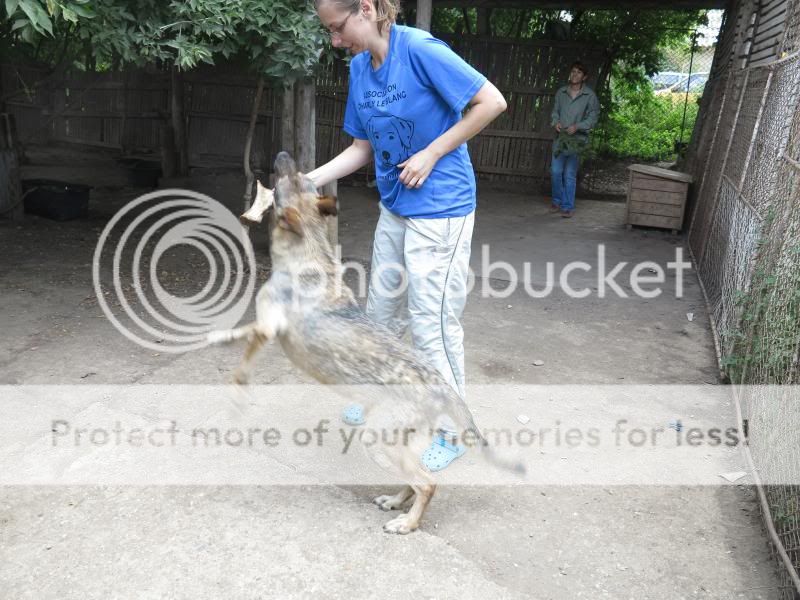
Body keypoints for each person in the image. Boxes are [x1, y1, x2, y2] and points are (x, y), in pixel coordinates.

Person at [306, 0, 506, 470]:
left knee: (431, 324)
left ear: (368, 9)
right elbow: (361, 148)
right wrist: (306, 182)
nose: (336, 41)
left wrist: (432, 153)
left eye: (338, 28)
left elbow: (491, 102)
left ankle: (457, 430)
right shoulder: (360, 69)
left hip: (441, 210)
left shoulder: (418, 49)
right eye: (330, 33)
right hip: (396, 208)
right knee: (381, 313)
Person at [549, 61, 600, 218]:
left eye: (578, 72)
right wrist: (555, 122)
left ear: (584, 77)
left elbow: (593, 117)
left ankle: (567, 206)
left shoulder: (589, 96)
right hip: (561, 139)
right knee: (555, 172)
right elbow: (555, 112)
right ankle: (557, 200)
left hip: (577, 141)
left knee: (569, 174)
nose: (574, 74)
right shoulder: (561, 92)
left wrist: (577, 126)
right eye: (573, 71)